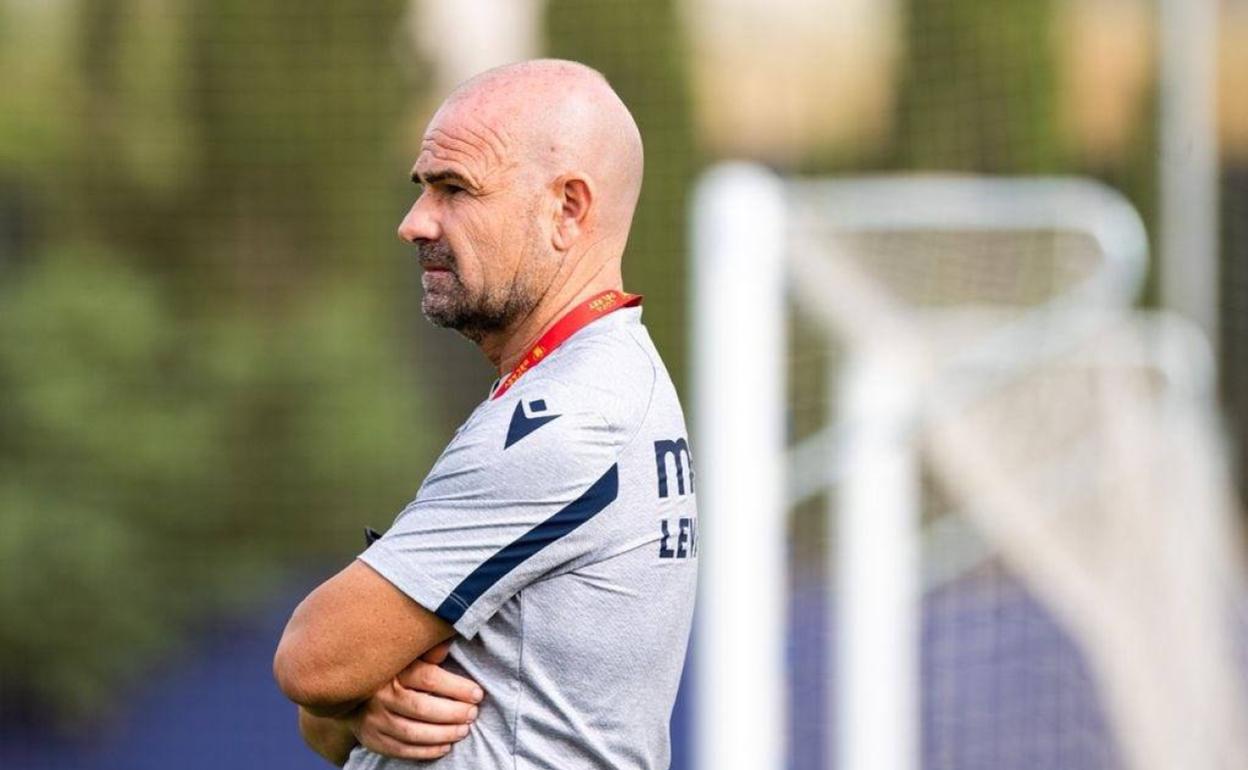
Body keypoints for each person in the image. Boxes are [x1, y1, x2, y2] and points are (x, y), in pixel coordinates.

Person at [273, 59, 698, 769]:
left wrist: (347, 687)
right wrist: (365, 702)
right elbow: (322, 714)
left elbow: (310, 661)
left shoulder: (572, 416)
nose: (415, 223)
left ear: (567, 209)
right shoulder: (586, 381)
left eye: (455, 189)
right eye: (423, 188)